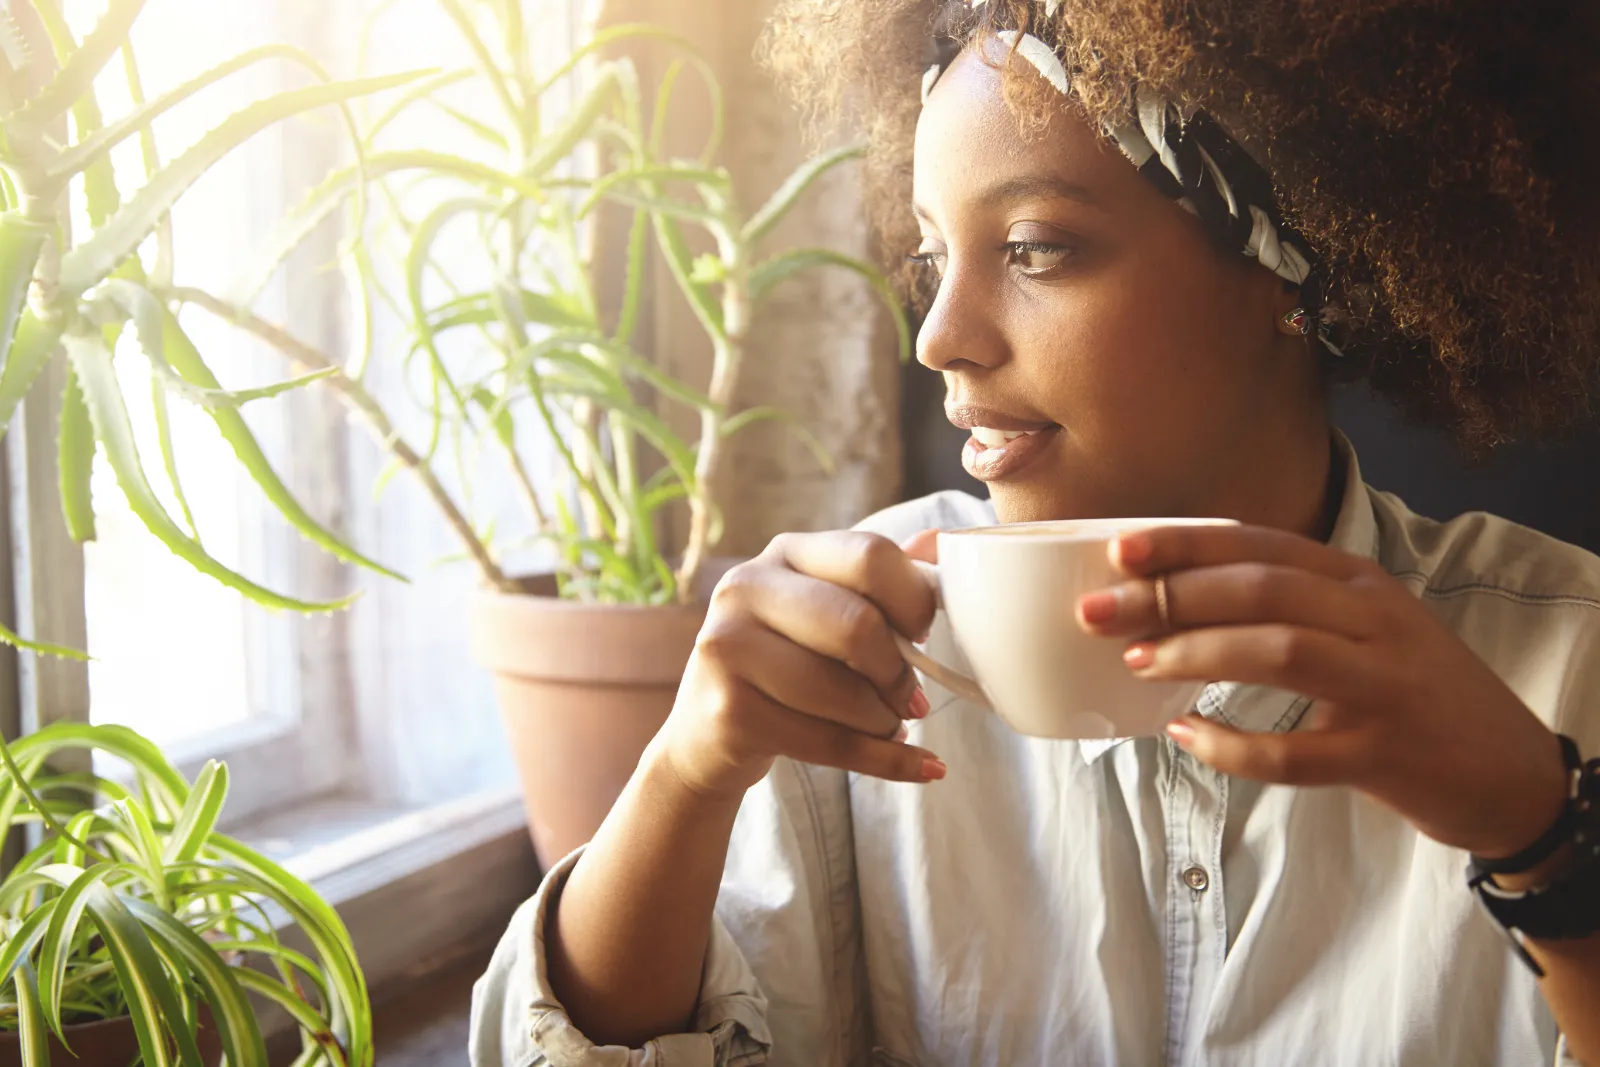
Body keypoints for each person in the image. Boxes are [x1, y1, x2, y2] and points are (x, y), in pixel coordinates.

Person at [470, 1, 1600, 1063]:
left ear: (1285, 268)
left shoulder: (1568, 670)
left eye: (1034, 248)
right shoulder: (859, 650)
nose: (939, 337)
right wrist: (682, 780)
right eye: (929, 258)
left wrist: (1546, 847)